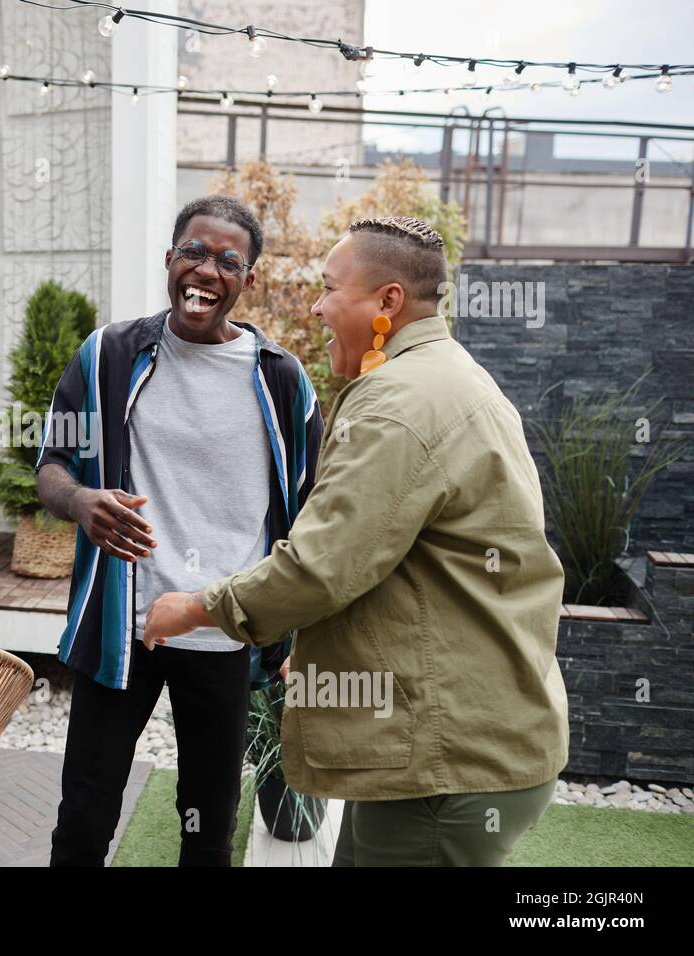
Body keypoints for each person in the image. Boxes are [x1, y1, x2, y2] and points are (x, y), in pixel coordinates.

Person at [145, 215, 569, 867]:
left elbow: (319, 567)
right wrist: (322, 649)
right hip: (452, 747)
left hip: (444, 764)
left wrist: (196, 608)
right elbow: (401, 560)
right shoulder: (448, 375)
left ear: (387, 302)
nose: (315, 307)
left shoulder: (399, 403)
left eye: (328, 288)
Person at [38, 195, 324, 866]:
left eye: (229, 260)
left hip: (222, 631)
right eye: (193, 252)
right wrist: (81, 502)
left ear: (248, 280)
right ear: (170, 261)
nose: (207, 271)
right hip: (122, 630)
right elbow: (51, 464)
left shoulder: (282, 383)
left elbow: (313, 517)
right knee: (82, 818)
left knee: (206, 828)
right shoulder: (110, 354)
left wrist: (295, 627)